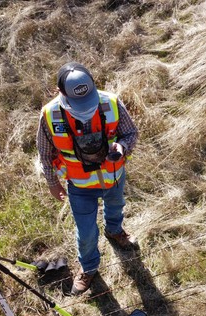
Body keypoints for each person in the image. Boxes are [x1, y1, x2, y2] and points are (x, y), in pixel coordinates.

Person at [37, 62, 139, 295]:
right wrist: (53, 183)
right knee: (86, 233)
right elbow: (44, 152)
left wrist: (122, 147)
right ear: (61, 93)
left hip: (113, 177)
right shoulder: (49, 114)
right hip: (80, 186)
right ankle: (89, 268)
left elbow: (131, 132)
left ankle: (115, 231)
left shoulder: (111, 102)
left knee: (116, 207)